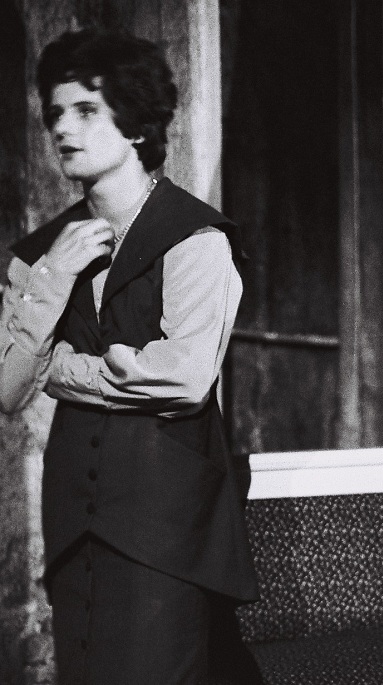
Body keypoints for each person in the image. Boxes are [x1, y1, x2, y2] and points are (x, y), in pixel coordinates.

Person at [0, 29, 258, 683]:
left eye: (86, 110)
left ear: (138, 124)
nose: (63, 128)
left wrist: (61, 369)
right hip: (74, 534)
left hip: (166, 533)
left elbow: (183, 380)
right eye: (55, 113)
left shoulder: (195, 238)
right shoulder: (43, 253)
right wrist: (54, 277)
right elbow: (7, 386)